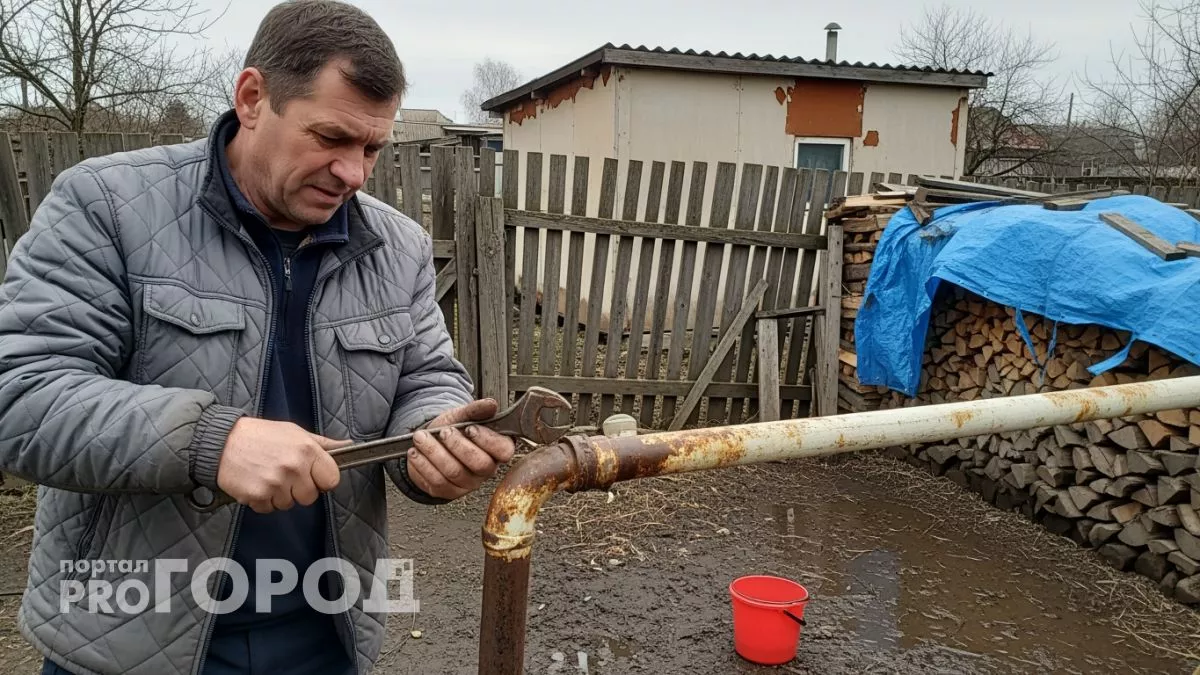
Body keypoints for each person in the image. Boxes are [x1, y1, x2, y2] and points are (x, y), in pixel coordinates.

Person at [0, 1, 515, 673]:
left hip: (322, 638)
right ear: (252, 97)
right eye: (330, 137)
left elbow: (425, 375)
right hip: (124, 638)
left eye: (372, 147)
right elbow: (21, 395)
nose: (355, 172)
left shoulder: (400, 245)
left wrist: (435, 436)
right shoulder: (108, 206)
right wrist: (212, 442)